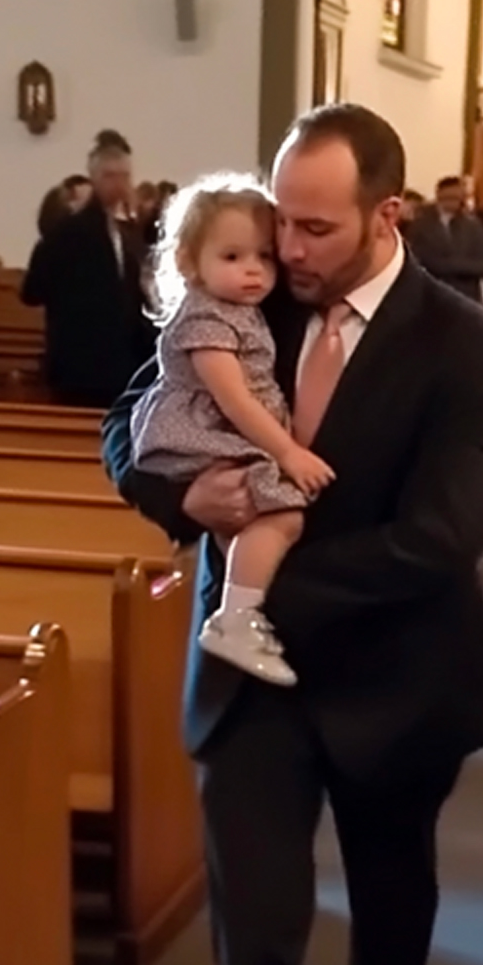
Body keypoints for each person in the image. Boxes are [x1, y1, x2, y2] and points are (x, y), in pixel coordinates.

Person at [101, 103, 483, 965]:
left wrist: (275, 580)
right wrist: (188, 491)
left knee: (388, 915)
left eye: (315, 229)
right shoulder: (247, 295)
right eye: (280, 221)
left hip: (396, 680)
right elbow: (128, 428)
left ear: (389, 214)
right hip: (253, 688)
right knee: (258, 937)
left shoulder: (466, 347)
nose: (286, 250)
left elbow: (440, 538)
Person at [126, 173, 329, 686]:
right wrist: (288, 453)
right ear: (189, 262)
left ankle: (240, 609)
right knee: (284, 514)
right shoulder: (206, 318)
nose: (254, 271)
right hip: (205, 430)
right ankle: (235, 618)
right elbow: (234, 399)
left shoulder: (239, 309)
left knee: (252, 520)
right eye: (233, 257)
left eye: (264, 256)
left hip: (222, 431)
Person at [23, 141, 155, 409]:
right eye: (109, 176)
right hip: (81, 366)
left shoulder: (128, 233)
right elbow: (33, 290)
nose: (118, 184)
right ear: (94, 179)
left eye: (125, 176)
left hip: (125, 364)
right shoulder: (66, 232)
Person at [403, 175, 483, 305]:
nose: (453, 202)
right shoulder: (421, 224)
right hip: (432, 294)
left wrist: (451, 265)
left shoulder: (473, 226)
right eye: (448, 197)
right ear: (439, 195)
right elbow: (419, 258)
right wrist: (456, 266)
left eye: (457, 198)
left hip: (465, 296)